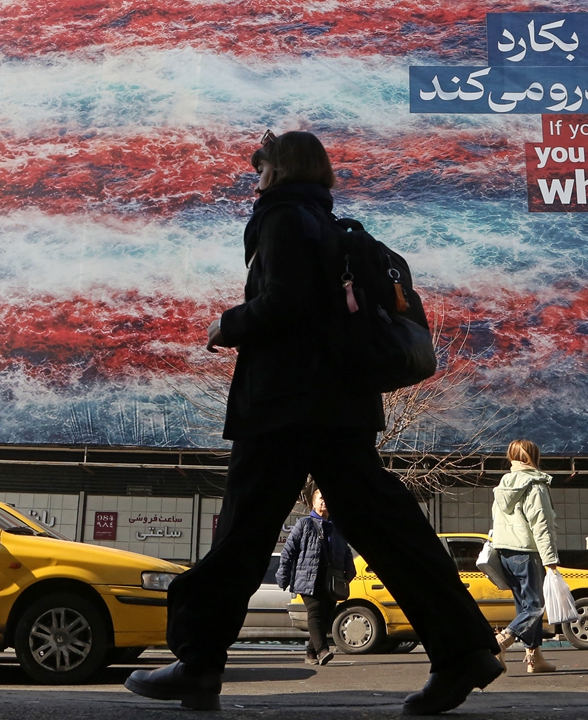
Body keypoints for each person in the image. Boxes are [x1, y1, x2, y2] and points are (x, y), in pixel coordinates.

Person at [124, 130, 502, 715]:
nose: (255, 181)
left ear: (277, 171)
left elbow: (286, 304)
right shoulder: (330, 226)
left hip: (282, 407)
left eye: (260, 170)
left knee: (243, 534)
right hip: (340, 406)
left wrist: (229, 324)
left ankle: (198, 664)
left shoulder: (281, 219)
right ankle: (464, 650)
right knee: (389, 529)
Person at [490, 439, 558, 674]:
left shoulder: (503, 486)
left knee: (524, 607)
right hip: (527, 553)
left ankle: (535, 657)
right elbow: (542, 523)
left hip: (506, 553)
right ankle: (501, 643)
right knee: (536, 607)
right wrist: (550, 560)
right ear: (533, 457)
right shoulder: (534, 484)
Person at [277, 482, 355, 665]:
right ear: (313, 503)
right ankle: (322, 650)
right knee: (316, 613)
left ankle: (310, 652)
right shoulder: (303, 525)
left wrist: (349, 572)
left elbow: (346, 552)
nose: (324, 502)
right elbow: (288, 551)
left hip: (332, 580)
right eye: (321, 499)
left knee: (326, 617)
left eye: (327, 499)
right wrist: (284, 576)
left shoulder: (337, 528)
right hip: (308, 579)